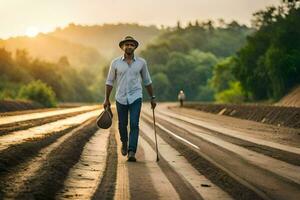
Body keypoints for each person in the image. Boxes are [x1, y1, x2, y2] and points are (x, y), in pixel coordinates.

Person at [103, 36, 156, 162]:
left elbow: (147, 81)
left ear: (135, 47)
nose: (129, 46)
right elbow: (109, 82)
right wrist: (106, 99)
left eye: (132, 44)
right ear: (122, 47)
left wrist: (152, 97)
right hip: (120, 97)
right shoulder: (115, 63)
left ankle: (132, 151)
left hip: (136, 97)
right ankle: (125, 143)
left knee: (134, 124)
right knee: (122, 124)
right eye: (127, 44)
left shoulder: (141, 63)